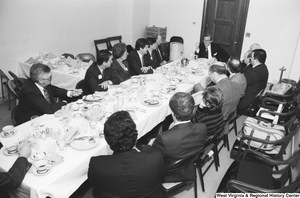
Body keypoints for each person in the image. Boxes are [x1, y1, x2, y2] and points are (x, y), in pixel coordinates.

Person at [88, 111, 166, 198]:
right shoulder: (155, 157)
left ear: (107, 140)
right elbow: (161, 175)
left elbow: (95, 184)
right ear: (135, 137)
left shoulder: (96, 164)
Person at [16, 63, 82, 125]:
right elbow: (49, 109)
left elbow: (55, 90)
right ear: (40, 80)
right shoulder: (29, 92)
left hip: (44, 113)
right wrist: (65, 102)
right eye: (49, 78)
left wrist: (70, 93)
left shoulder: (42, 83)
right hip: (30, 121)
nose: (51, 79)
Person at [152, 92, 207, 166]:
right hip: (190, 166)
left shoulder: (164, 138)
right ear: (193, 110)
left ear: (172, 113)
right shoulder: (202, 127)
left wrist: (149, 145)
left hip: (169, 171)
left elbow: (155, 159)